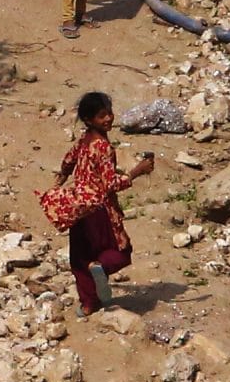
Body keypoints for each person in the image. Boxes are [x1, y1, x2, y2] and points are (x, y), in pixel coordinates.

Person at [38, 90, 155, 315]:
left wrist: (58, 183)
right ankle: (100, 268)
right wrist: (136, 172)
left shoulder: (84, 140)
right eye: (102, 115)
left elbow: (68, 161)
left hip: (79, 207)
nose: (109, 118)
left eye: (109, 113)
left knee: (80, 257)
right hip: (99, 210)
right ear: (90, 120)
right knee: (121, 251)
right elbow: (110, 184)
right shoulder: (102, 146)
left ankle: (88, 303)